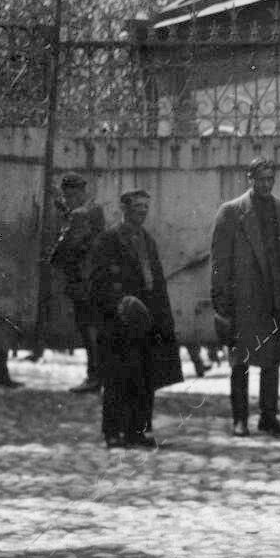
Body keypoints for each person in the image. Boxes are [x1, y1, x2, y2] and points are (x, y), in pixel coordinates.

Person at [209, 158, 280, 438]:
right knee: (241, 360)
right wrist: (221, 304)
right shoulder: (231, 212)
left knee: (272, 359)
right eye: (260, 179)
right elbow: (219, 261)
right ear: (249, 178)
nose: (265, 184)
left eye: (270, 179)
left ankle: (268, 416)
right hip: (246, 298)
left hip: (277, 295)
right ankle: (240, 419)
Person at [86, 189, 181, 449]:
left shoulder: (147, 240)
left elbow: (157, 282)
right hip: (118, 322)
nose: (143, 211)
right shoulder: (108, 240)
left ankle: (139, 431)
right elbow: (96, 282)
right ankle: (113, 432)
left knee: (144, 377)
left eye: (146, 207)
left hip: (145, 320)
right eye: (138, 206)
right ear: (125, 209)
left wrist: (162, 320)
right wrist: (119, 303)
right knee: (117, 379)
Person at [49, 172, 105, 395]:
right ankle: (98, 375)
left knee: (88, 329)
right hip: (94, 279)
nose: (68, 200)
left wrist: (55, 256)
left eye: (71, 196)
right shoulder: (93, 209)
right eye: (66, 196)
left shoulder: (80, 214)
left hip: (83, 280)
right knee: (93, 328)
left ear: (80, 193)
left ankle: (94, 377)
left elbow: (69, 244)